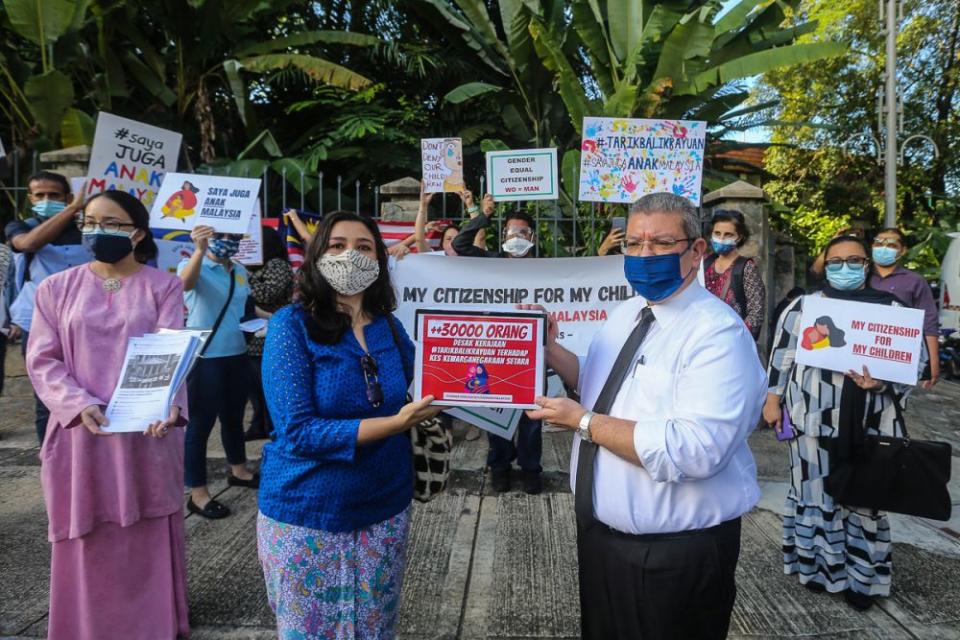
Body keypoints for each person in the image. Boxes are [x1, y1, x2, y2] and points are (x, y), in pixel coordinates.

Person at [523, 192, 765, 639]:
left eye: (659, 243)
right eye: (632, 244)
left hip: (673, 557)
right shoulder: (627, 313)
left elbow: (694, 450)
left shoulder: (717, 335)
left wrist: (582, 422)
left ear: (696, 250)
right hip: (604, 541)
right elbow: (599, 387)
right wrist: (550, 350)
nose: (642, 255)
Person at [256, 211, 440, 638]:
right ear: (318, 255)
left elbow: (439, 376)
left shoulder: (388, 327)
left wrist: (517, 344)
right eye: (337, 246)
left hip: (383, 509)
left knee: (375, 628)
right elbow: (298, 432)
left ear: (378, 260)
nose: (349, 255)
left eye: (363, 247)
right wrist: (395, 424)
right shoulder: (291, 326)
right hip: (306, 511)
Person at [26, 190, 189, 639]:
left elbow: (170, 351)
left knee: (147, 523)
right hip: (81, 433)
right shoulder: (55, 288)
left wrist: (169, 404)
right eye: (90, 222)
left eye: (112, 223)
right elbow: (43, 359)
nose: (98, 230)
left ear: (137, 232)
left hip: (146, 433)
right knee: (86, 527)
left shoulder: (164, 286)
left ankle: (152, 625)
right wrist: (78, 403)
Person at [765, 234, 911, 612]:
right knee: (814, 493)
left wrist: (881, 381)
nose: (844, 268)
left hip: (870, 422)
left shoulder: (892, 310)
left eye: (854, 260)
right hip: (810, 418)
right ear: (823, 264)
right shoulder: (804, 305)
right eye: (836, 261)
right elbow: (782, 355)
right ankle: (817, 568)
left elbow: (911, 369)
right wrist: (772, 400)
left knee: (865, 499)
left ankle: (862, 578)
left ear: (867, 266)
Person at [452, 202, 544, 493]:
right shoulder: (487, 260)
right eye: (510, 231)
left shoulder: (550, 268)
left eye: (522, 231)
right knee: (497, 413)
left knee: (532, 417)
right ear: (502, 235)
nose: (515, 236)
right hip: (497, 351)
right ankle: (500, 467)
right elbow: (459, 243)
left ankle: (531, 470)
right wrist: (484, 216)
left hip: (533, 352)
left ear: (532, 237)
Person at [7, 171, 92, 444]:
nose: (46, 200)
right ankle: (50, 457)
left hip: (84, 322)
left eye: (54, 195)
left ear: (67, 196)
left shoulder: (87, 229)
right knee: (47, 397)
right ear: (30, 198)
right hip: (37, 324)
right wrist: (70, 210)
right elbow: (29, 244)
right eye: (40, 195)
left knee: (86, 392)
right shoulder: (20, 227)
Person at [178, 225, 257, 518]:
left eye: (234, 236)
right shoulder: (193, 264)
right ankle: (197, 493)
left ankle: (239, 470)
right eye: (221, 236)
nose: (228, 241)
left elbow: (246, 308)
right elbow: (184, 286)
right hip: (205, 357)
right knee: (199, 425)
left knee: (234, 418)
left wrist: (276, 318)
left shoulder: (239, 270)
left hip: (236, 354)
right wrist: (199, 250)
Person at [869, 228, 940, 388]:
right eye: (879, 243)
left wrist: (933, 362)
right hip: (861, 351)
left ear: (903, 250)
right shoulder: (859, 276)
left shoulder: (915, 282)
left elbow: (929, 322)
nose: (883, 248)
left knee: (890, 403)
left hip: (895, 357)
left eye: (891, 244)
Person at [244, 224, 294, 441]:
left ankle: (273, 428)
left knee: (270, 389)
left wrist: (243, 280)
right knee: (254, 390)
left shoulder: (277, 265)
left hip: (269, 338)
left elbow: (268, 293)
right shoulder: (255, 268)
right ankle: (259, 425)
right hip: (251, 339)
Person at [704, 209, 765, 340]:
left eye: (728, 235)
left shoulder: (746, 267)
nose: (721, 238)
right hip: (702, 338)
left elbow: (756, 312)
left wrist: (740, 339)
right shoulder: (705, 263)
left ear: (739, 237)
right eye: (717, 233)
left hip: (732, 340)